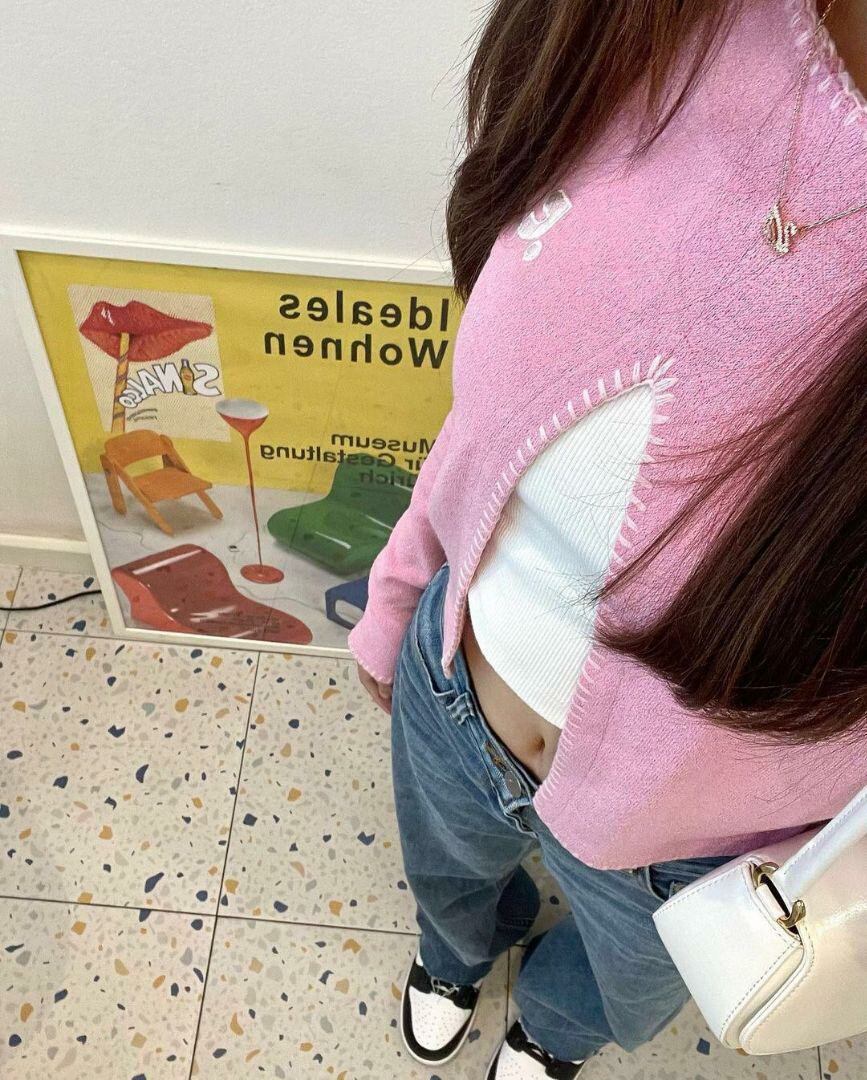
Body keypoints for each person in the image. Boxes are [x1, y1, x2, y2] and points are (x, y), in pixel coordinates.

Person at [351, 1, 867, 1075]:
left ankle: (551, 1029)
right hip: (457, 684)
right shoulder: (650, 30)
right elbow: (495, 418)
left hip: (695, 849)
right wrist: (401, 590)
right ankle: (454, 955)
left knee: (613, 983)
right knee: (444, 877)